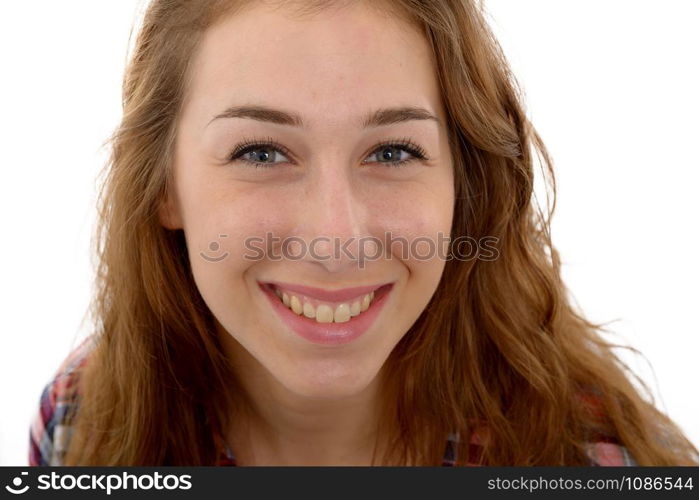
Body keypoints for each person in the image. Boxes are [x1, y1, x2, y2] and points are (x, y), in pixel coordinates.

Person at [29, 0, 698, 466]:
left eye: (392, 153)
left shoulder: (597, 459)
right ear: (164, 184)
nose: (337, 237)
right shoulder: (82, 417)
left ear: (461, 186)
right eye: (260, 152)